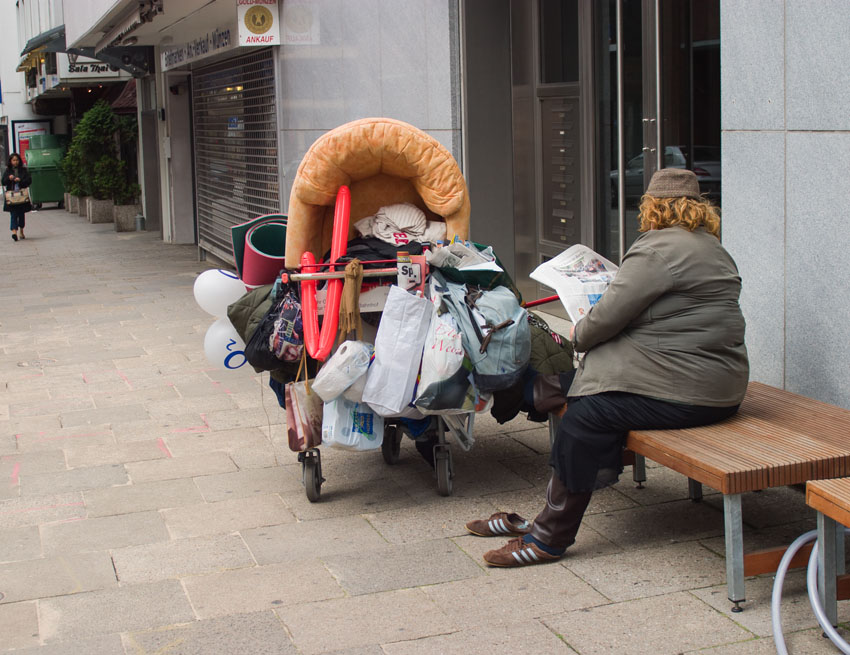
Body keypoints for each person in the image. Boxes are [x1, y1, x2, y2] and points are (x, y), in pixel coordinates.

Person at [465, 168, 749, 566]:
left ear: (653, 207)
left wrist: (578, 331)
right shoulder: (713, 247)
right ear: (699, 209)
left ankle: (548, 538)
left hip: (688, 391)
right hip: (720, 386)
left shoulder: (655, 249)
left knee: (586, 415)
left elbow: (604, 321)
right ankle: (516, 402)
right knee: (567, 383)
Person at [3, 153, 32, 241]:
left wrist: (20, 180)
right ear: (10, 161)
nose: (15, 162)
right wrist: (9, 178)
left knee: (21, 214)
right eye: (13, 160)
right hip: (12, 197)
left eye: (17, 160)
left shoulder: (23, 170)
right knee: (13, 214)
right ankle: (14, 232)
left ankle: (21, 231)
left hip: (21, 196)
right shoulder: (8, 171)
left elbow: (29, 181)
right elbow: (3, 181)